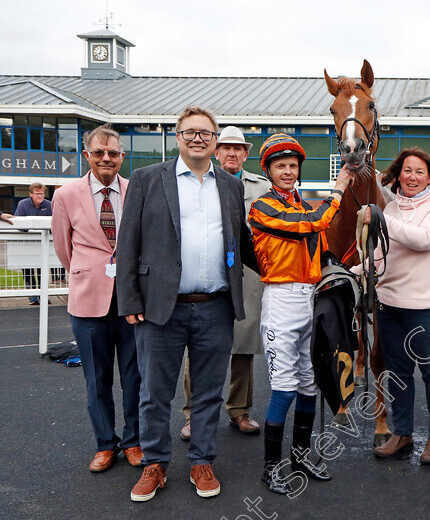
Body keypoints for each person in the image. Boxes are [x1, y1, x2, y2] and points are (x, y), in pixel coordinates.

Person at [117, 106, 258, 502]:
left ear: (215, 141)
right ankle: (155, 464)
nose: (198, 138)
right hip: (160, 307)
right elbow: (127, 243)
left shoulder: (230, 186)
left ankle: (202, 459)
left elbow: (243, 243)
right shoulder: (147, 180)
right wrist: (127, 298)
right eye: (190, 132)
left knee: (209, 391)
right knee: (155, 391)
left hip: (215, 306)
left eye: (206, 133)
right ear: (178, 137)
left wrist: (292, 266)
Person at [249, 133, 353, 494]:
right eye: (281, 166)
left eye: (293, 166)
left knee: (311, 381)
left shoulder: (304, 205)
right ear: (268, 170)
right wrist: (339, 190)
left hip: (312, 299)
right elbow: (314, 222)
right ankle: (270, 466)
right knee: (284, 388)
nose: (289, 172)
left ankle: (300, 455)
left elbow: (322, 252)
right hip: (280, 301)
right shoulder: (263, 206)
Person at [50, 124, 143, 473]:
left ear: (121, 157)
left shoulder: (136, 191)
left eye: (114, 153)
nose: (107, 158)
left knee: (135, 378)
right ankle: (106, 444)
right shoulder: (66, 194)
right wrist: (88, 273)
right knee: (96, 379)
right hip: (88, 302)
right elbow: (64, 247)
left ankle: (133, 441)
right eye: (100, 153)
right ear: (87, 155)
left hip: (132, 301)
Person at [358, 148, 430, 465]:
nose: (412, 177)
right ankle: (401, 433)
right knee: (398, 373)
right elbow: (379, 257)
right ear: (398, 174)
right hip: (390, 306)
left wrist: (381, 220)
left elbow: (425, 239)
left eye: (420, 172)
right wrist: (352, 273)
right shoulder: (390, 211)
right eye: (407, 171)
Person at [179, 126, 270, 441]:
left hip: (246, 274)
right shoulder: (200, 183)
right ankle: (193, 414)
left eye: (238, 149)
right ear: (216, 151)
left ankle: (240, 410)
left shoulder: (262, 187)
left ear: (246, 154)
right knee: (198, 346)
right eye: (226, 148)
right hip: (209, 276)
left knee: (243, 347)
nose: (232, 154)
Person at [15, 182, 52, 304]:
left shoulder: (49, 205)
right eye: (37, 194)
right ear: (31, 194)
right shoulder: (23, 204)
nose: (40, 196)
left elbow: (54, 222)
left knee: (43, 269)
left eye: (42, 193)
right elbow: (18, 223)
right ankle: (32, 296)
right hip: (27, 242)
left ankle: (43, 295)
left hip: (44, 243)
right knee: (28, 270)